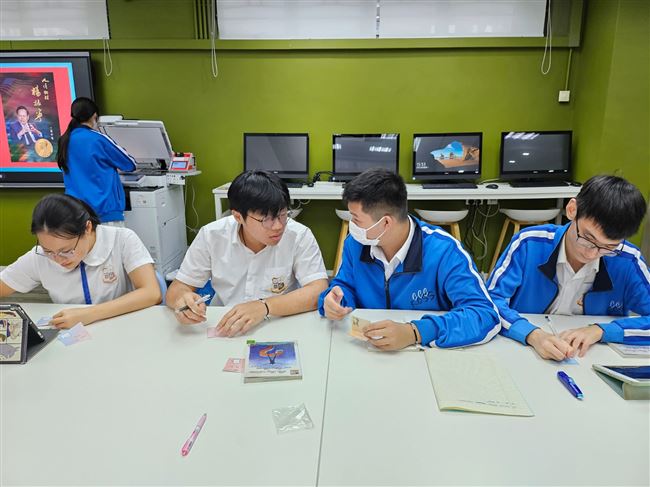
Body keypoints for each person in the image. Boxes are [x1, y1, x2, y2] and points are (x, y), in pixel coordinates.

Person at [319, 169, 500, 351]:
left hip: (427, 353)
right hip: (367, 350)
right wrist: (334, 301)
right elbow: (344, 286)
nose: (352, 224)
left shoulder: (445, 251)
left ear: (386, 223)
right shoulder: (355, 244)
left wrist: (415, 332)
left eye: (356, 219)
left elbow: (484, 315)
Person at [487, 175, 649, 360]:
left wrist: (602, 331)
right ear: (572, 210)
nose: (592, 254)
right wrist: (533, 335)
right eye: (587, 238)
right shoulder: (529, 243)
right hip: (522, 351)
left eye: (608, 247)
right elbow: (489, 303)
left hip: (590, 357)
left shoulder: (627, 259)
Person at [166, 170, 328, 336]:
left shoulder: (299, 235)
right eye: (266, 219)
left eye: (283, 214)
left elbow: (318, 290)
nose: (278, 226)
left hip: (279, 322)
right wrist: (183, 299)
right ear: (238, 216)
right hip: (225, 324)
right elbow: (178, 288)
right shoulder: (212, 235)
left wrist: (264, 306)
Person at [0, 194, 161, 328]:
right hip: (71, 337)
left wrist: (89, 314)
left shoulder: (122, 239)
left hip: (124, 328)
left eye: (66, 251)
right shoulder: (39, 256)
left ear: (87, 228)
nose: (58, 259)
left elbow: (151, 293)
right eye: (48, 251)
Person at [57, 97, 136, 225]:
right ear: (95, 116)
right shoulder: (97, 139)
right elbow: (130, 164)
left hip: (76, 214)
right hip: (105, 213)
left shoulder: (64, 140)